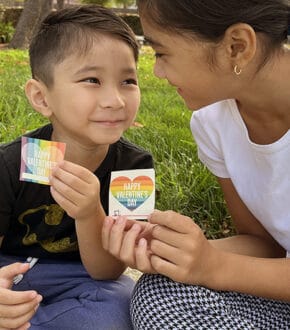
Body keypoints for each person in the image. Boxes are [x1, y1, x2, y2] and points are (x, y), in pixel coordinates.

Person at [102, 0, 290, 328]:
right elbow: (265, 245)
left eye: (162, 53)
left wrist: (214, 267)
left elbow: (220, 268)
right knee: (160, 295)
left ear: (237, 47)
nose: (157, 72)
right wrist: (172, 250)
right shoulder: (212, 122)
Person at [0, 5, 153, 330]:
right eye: (92, 80)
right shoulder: (17, 160)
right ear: (42, 98)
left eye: (128, 80)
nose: (116, 99)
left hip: (80, 276)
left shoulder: (132, 168)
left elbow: (107, 271)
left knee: (123, 300)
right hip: (9, 268)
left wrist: (89, 214)